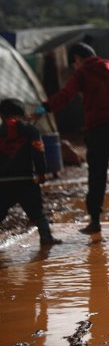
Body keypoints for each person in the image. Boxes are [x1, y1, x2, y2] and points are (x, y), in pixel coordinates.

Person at [35, 42, 109, 239]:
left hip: (98, 130)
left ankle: (95, 222)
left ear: (77, 58)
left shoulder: (82, 73)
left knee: (97, 176)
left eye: (73, 63)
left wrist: (45, 107)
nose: (74, 67)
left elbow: (66, 95)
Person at [0, 98, 62, 245]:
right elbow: (38, 152)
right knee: (37, 213)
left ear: (2, 115)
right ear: (22, 113)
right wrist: (41, 173)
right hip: (26, 180)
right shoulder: (31, 130)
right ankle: (46, 238)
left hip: (3, 182)